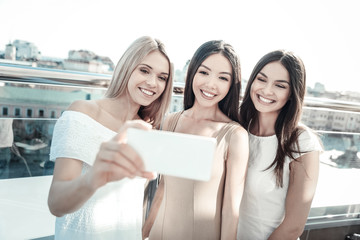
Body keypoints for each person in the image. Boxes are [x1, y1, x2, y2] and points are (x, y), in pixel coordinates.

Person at [47, 36, 173, 240]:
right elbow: (56, 203)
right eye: (144, 70)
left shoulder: (149, 130)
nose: (152, 83)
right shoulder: (83, 113)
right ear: (127, 67)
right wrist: (93, 178)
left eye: (162, 77)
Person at [143, 40, 249, 239]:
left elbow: (230, 211)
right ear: (192, 72)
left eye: (223, 78)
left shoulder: (235, 135)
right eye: (204, 72)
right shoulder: (170, 122)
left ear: (231, 85)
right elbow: (163, 188)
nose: (210, 84)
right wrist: (143, 234)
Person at [237, 50, 323, 240]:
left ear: (292, 94)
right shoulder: (238, 128)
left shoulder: (301, 141)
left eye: (280, 85)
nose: (267, 90)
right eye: (261, 79)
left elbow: (294, 226)